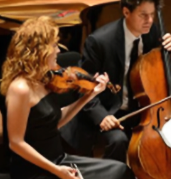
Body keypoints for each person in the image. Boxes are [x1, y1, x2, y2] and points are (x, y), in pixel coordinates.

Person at [59, 0, 171, 163]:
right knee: (118, 141)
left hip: (141, 110)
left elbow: (168, 70)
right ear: (126, 12)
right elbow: (84, 86)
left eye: (152, 14)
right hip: (110, 109)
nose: (149, 20)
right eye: (143, 15)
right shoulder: (99, 41)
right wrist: (102, 116)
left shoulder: (153, 32)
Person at [1, 16, 133, 179]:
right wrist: (56, 170)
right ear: (39, 50)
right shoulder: (20, 89)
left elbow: (55, 122)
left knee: (120, 170)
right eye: (54, 45)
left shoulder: (43, 79)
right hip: (35, 169)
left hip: (59, 160)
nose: (58, 51)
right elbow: (16, 143)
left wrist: (90, 95)